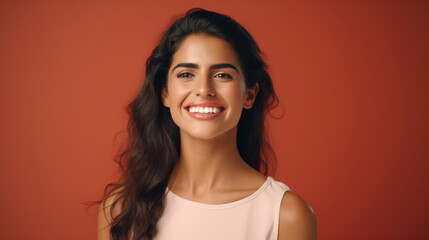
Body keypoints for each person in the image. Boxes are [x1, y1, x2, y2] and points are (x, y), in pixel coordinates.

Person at [97, 8, 317, 240]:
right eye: (186, 74)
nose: (203, 89)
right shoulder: (119, 210)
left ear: (249, 96)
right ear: (165, 94)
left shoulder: (286, 215)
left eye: (222, 75)